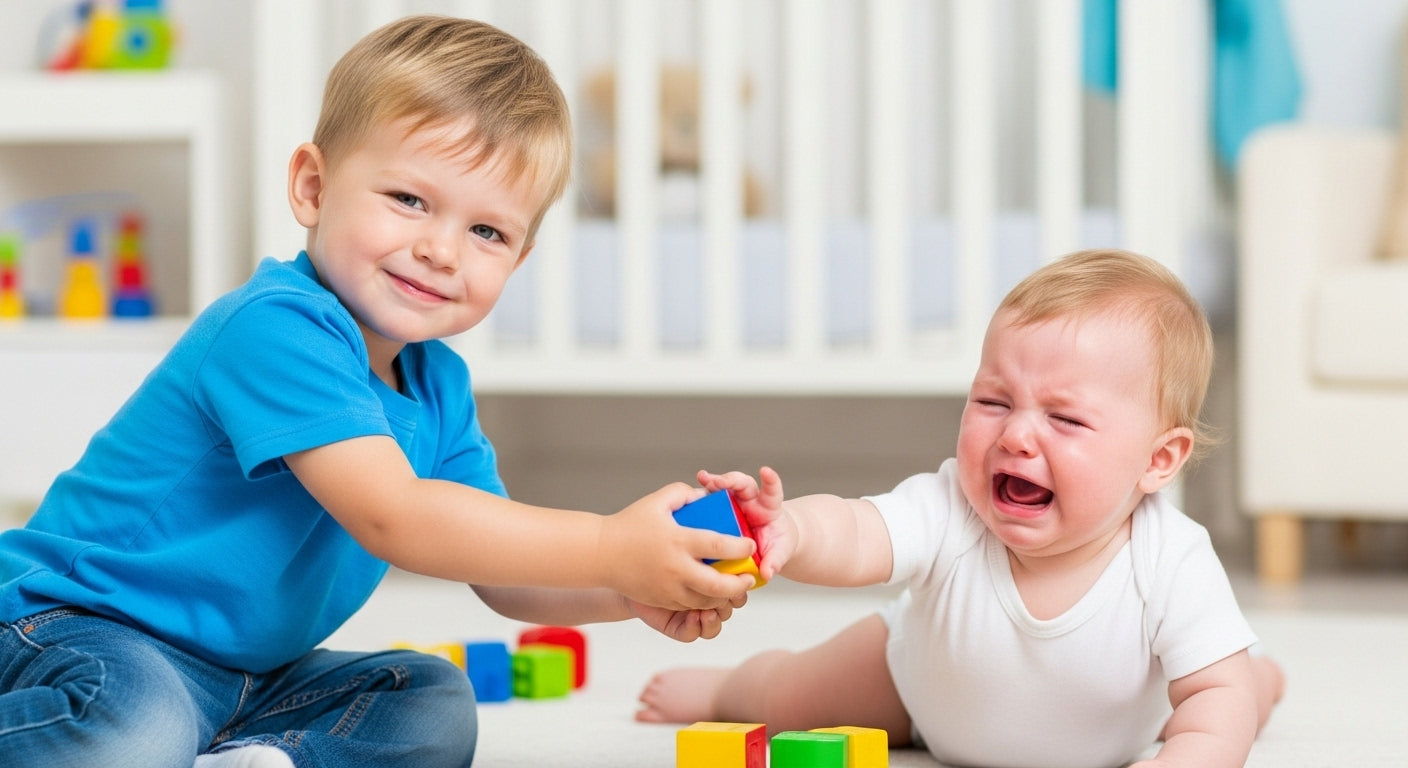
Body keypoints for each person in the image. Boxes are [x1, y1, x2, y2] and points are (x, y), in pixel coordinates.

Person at [0, 16, 757, 768]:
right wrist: (609, 543)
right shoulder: (275, 328)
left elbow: (502, 570)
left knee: (428, 700)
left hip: (242, 679)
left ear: (519, 259)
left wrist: (631, 586)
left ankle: (261, 758)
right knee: (133, 726)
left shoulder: (437, 385)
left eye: (487, 232)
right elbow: (395, 517)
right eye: (409, 199)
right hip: (82, 627)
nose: (440, 249)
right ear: (313, 186)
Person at [636, 249, 1286, 768]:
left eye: (1063, 417)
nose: (1015, 435)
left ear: (1158, 460)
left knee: (1222, 695)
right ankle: (726, 690)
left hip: (1112, 729)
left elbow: (1211, 702)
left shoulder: (1171, 558)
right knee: (786, 694)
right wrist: (794, 529)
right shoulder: (953, 506)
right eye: (993, 402)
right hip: (916, 686)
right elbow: (861, 533)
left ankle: (1262, 680)